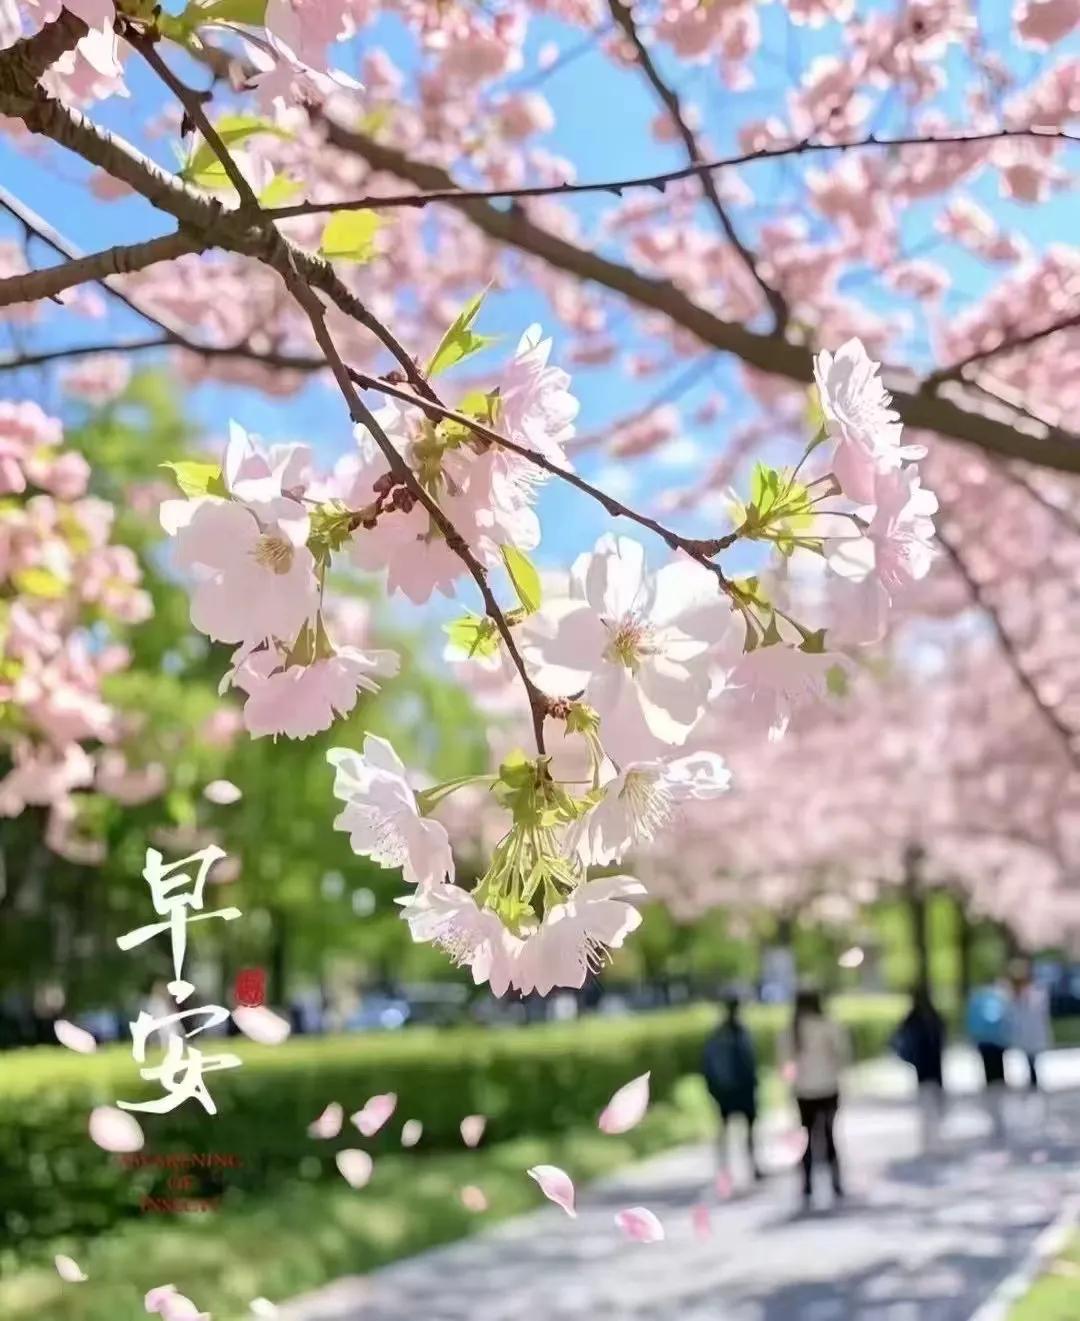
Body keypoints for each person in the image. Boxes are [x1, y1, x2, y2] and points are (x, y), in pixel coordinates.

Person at [779, 989, 850, 1209]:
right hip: (828, 1087)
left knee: (806, 1137)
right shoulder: (828, 1026)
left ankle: (808, 1185)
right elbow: (843, 1055)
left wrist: (793, 1084)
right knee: (829, 1135)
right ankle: (836, 1183)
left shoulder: (791, 1030)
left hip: (804, 1091)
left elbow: (785, 1064)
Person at [702, 996, 762, 1183]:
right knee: (749, 1130)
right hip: (743, 1088)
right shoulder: (741, 1032)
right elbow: (750, 1060)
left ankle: (724, 1169)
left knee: (725, 1129)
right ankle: (753, 1166)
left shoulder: (718, 1034)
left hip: (725, 1089)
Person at [893, 988, 947, 1151]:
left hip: (921, 1068)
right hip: (935, 1068)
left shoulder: (912, 1018)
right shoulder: (935, 1016)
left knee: (925, 1101)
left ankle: (929, 1137)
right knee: (934, 1100)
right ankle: (935, 1136)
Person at [966, 979, 1012, 1139]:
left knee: (988, 1071)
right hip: (997, 1041)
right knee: (999, 1070)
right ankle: (999, 1091)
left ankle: (992, 1094)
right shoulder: (998, 998)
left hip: (983, 1042)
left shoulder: (977, 1000)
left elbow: (971, 1022)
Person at [1009, 960, 1052, 1091]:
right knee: (1028, 1058)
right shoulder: (1016, 995)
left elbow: (1039, 1012)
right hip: (1026, 1033)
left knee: (1033, 1058)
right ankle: (1032, 1080)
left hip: (1033, 1032)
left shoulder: (1037, 992)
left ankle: (1034, 1081)